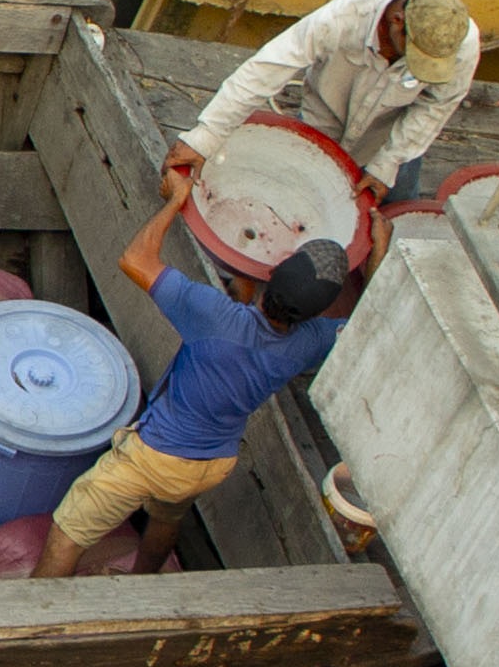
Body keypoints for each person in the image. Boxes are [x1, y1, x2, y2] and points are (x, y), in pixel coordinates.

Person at [40, 238, 350, 576]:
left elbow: (134, 259)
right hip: (211, 463)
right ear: (315, 314)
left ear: (271, 271)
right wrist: (378, 254)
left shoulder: (214, 315)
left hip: (154, 455)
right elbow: (364, 320)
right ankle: (143, 579)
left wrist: (175, 198)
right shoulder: (312, 341)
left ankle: (31, 624)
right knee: (166, 516)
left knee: (65, 537)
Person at [177, 0, 480, 212]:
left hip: (391, 137)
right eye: (416, 55)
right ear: (397, 21)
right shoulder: (344, 17)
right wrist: (207, 135)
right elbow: (268, 68)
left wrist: (388, 162)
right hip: (324, 118)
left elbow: (438, 103)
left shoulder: (459, 45)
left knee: (396, 209)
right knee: (297, 196)